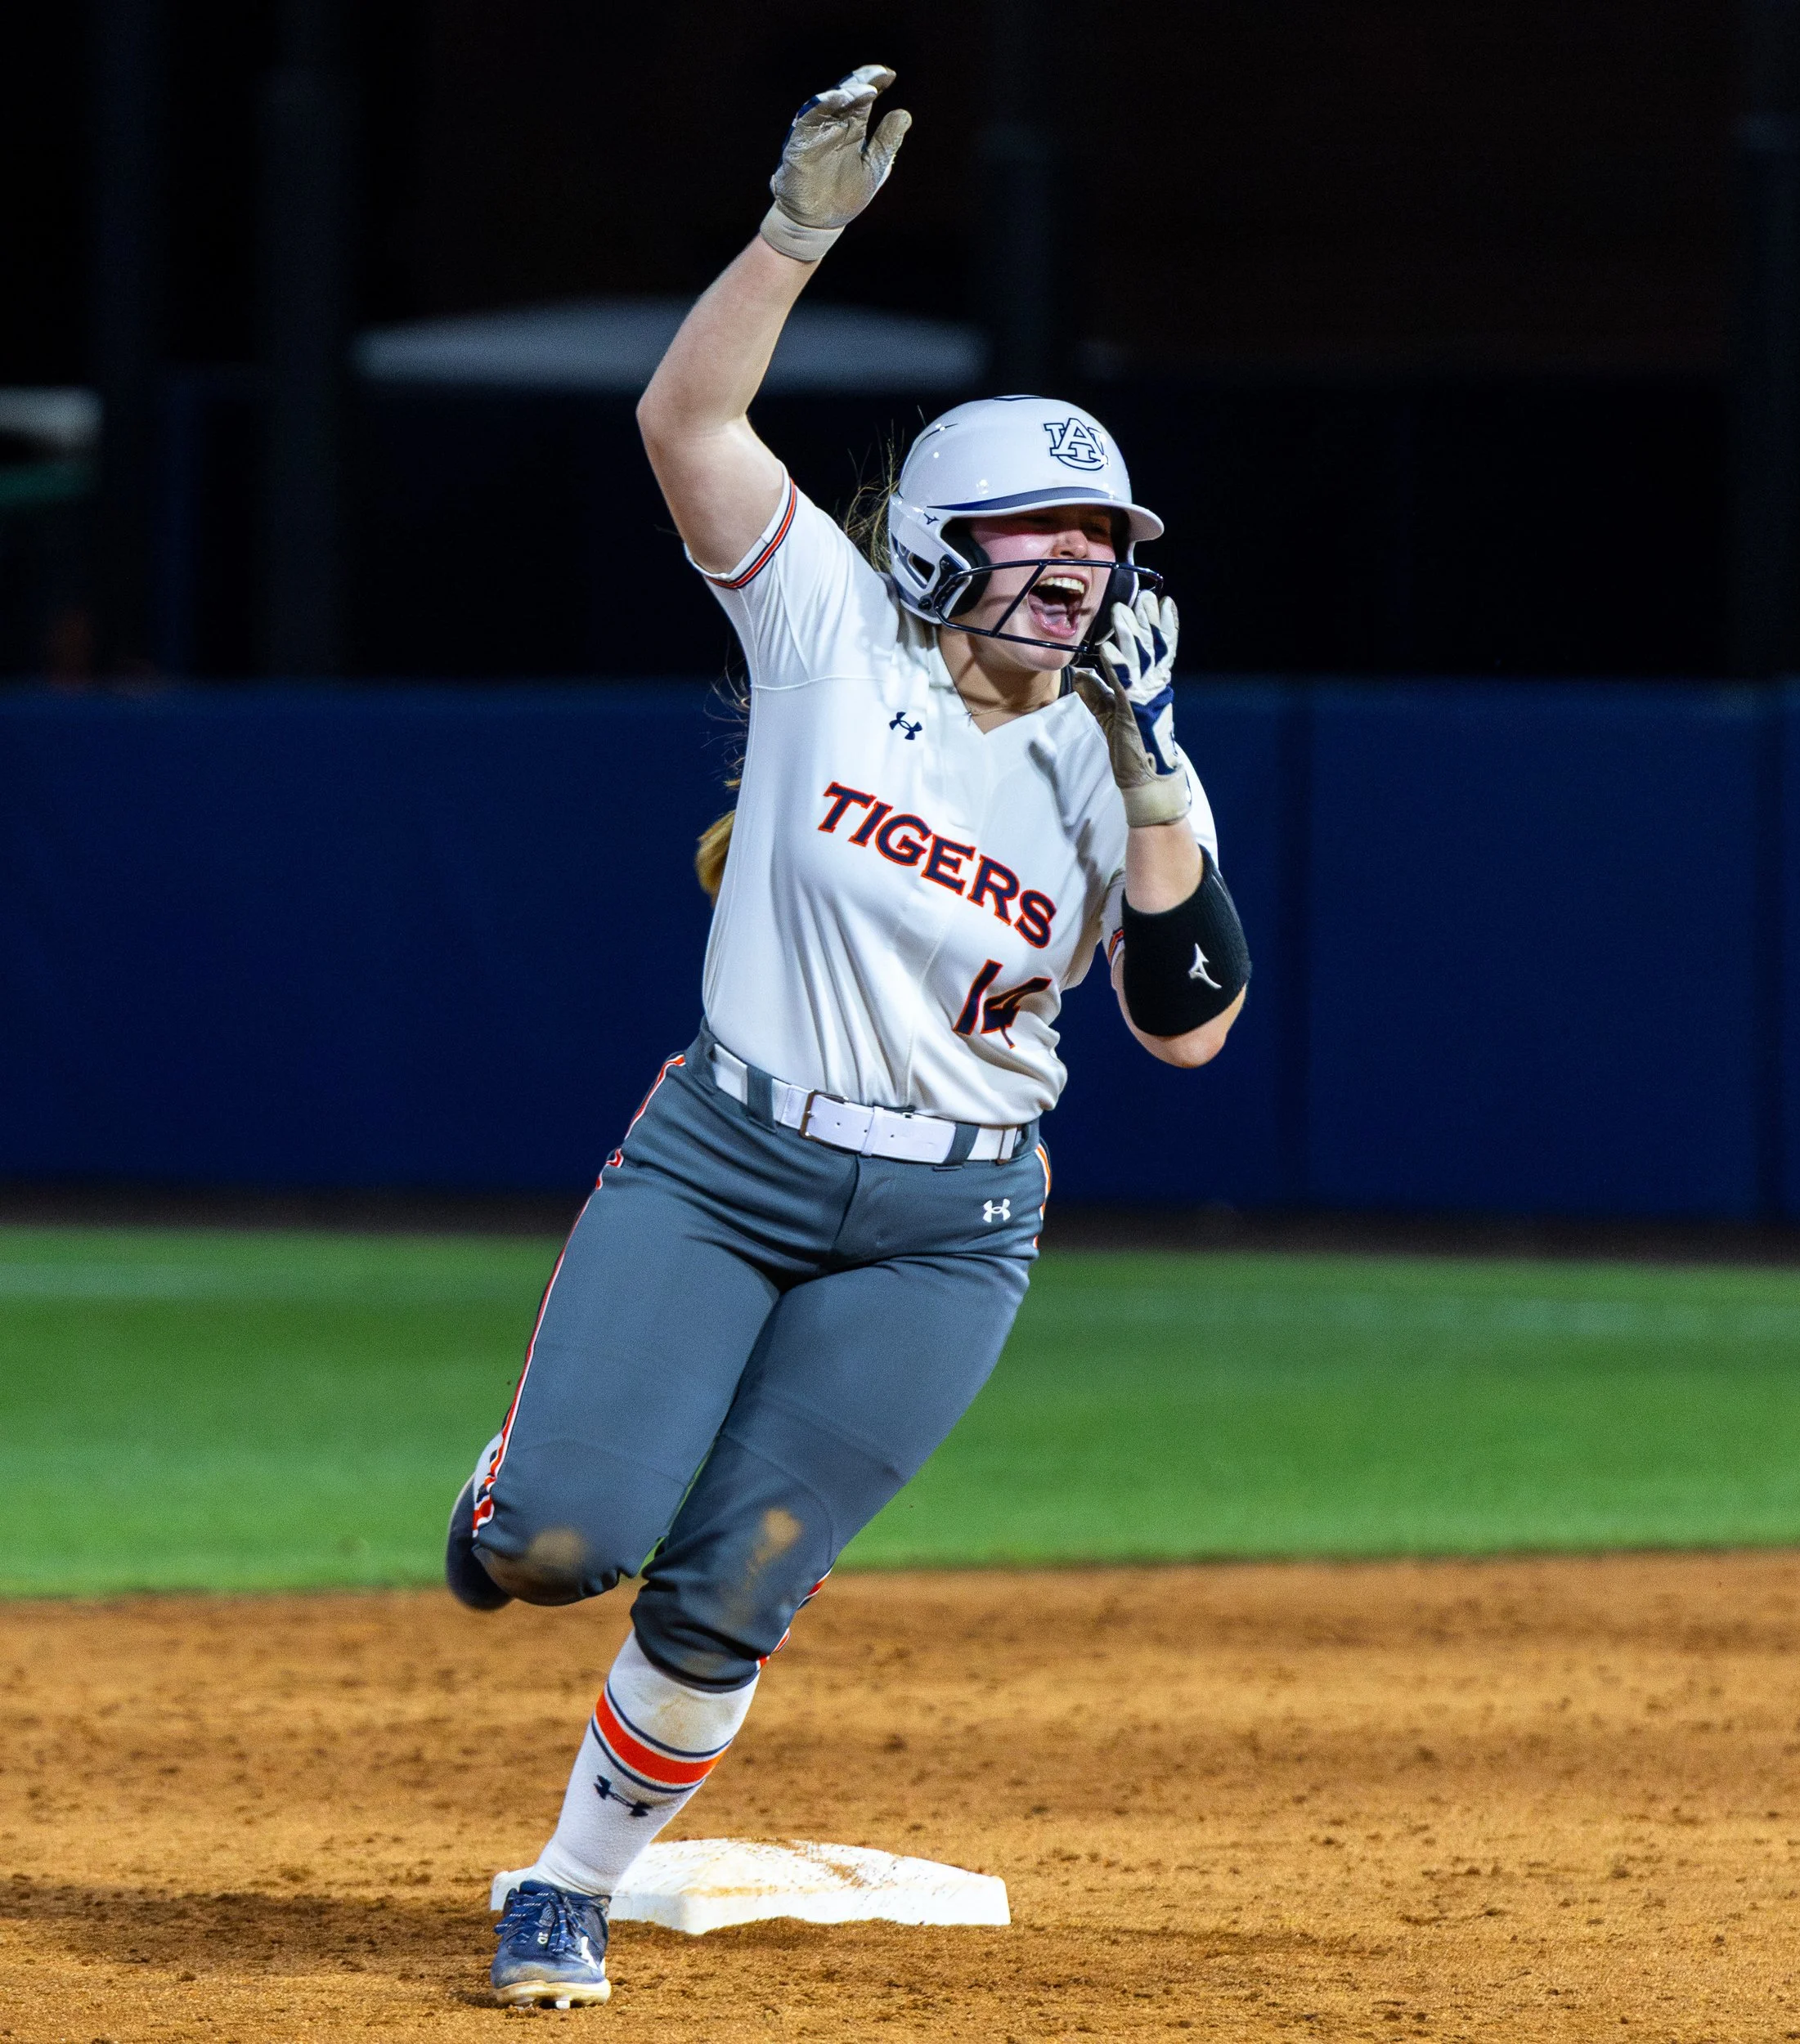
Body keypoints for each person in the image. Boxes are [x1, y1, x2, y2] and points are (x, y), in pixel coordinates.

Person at [442, 64, 1251, 2010]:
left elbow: (1188, 1031)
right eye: (1039, 532)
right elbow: (684, 418)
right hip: (725, 1162)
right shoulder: (831, 635)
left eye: (1103, 538)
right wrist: (794, 234)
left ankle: (565, 1879)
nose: (1080, 567)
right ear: (934, 547)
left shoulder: (1129, 765)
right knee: (564, 1541)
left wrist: (1142, 772)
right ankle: (512, 1489)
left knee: (742, 1575)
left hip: (950, 1228)